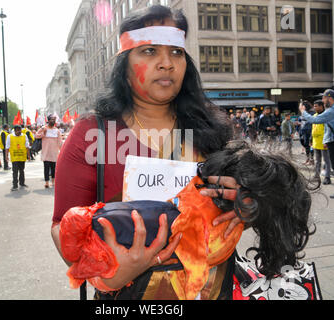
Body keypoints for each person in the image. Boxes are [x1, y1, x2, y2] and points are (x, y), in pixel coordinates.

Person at [51, 5, 240, 300]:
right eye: (150, 51)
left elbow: (245, 200)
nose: (167, 63)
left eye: (176, 52)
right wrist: (112, 275)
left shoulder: (211, 128)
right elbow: (62, 226)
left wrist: (248, 203)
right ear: (124, 66)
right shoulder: (90, 135)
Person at [59, 140, 317, 300]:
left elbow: (283, 193)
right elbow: (88, 251)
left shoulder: (211, 138)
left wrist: (258, 201)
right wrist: (115, 278)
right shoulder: (100, 137)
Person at [299, 89, 334, 198]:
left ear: (330, 98)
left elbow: (314, 120)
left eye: (324, 98)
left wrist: (303, 111)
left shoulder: (331, 111)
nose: (323, 101)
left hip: (333, 141)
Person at [35, 115, 63, 188]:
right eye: (51, 119)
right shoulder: (43, 128)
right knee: (46, 168)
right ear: (48, 120)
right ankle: (47, 182)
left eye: (54, 120)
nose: (53, 121)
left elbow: (60, 142)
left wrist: (62, 151)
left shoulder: (57, 131)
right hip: (46, 152)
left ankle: (53, 182)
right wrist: (43, 133)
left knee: (54, 168)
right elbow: (36, 135)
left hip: (54, 153)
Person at [311, 100, 332, 185]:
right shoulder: (315, 116)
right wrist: (310, 140)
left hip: (324, 142)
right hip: (316, 142)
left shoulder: (326, 116)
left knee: (326, 161)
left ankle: (327, 177)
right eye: (314, 106)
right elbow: (312, 129)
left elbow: (328, 130)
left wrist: (326, 141)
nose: (314, 108)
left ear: (321, 106)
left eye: (316, 106)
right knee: (317, 161)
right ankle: (316, 176)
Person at [5, 125, 30, 191]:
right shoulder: (9, 136)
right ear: (15, 130)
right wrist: (6, 156)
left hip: (22, 156)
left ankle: (22, 183)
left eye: (20, 130)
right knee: (15, 171)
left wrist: (29, 156)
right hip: (14, 157)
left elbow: (27, 146)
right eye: (18, 130)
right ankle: (15, 185)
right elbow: (7, 147)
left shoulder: (24, 136)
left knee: (22, 170)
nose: (20, 131)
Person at [299, 101, 315, 166]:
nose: (299, 107)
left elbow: (311, 123)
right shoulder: (304, 113)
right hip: (303, 132)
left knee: (310, 146)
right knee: (305, 145)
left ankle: (311, 159)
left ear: (304, 106)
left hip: (309, 132)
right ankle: (308, 159)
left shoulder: (312, 113)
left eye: (300, 106)